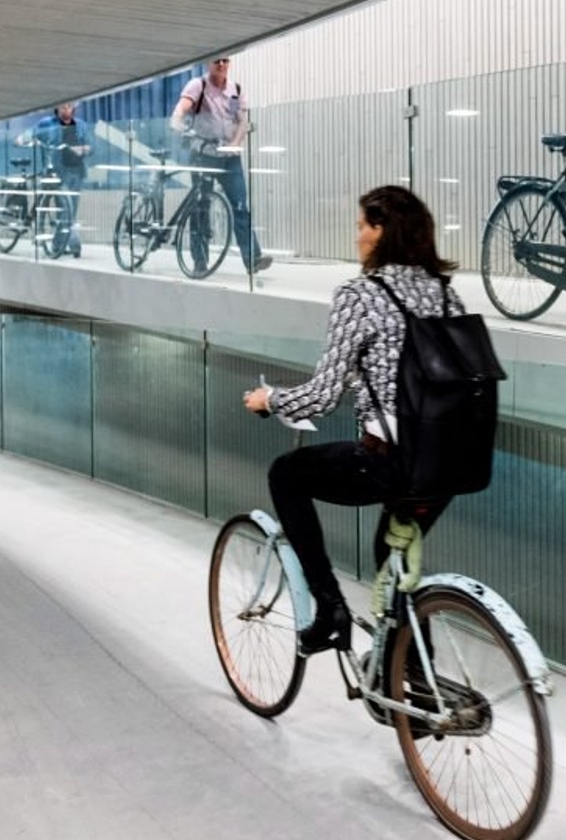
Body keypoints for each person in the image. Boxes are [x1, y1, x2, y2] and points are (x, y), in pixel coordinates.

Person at [242, 186, 461, 654]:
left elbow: (323, 396)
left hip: (392, 460)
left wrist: (270, 399)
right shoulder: (445, 293)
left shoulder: (359, 295)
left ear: (382, 232)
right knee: (390, 553)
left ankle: (329, 611)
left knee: (286, 475)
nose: (357, 235)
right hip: (450, 461)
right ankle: (410, 670)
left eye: (362, 225)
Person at [169, 56, 271, 273]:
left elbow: (241, 122)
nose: (222, 65)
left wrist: (235, 144)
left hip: (229, 157)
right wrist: (177, 123)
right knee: (201, 207)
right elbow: (181, 108)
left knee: (240, 206)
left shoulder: (235, 90)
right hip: (203, 155)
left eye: (225, 61)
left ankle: (252, 258)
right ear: (209, 63)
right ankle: (199, 261)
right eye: (217, 61)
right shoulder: (198, 85)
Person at [28, 102, 92, 257]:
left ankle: (64, 243)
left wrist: (84, 149)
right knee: (64, 209)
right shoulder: (47, 123)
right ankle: (63, 244)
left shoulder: (81, 125)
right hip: (57, 172)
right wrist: (21, 140)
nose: (67, 109)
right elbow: (31, 134)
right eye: (63, 106)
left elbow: (90, 146)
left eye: (69, 106)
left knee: (70, 210)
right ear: (57, 108)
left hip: (76, 171)